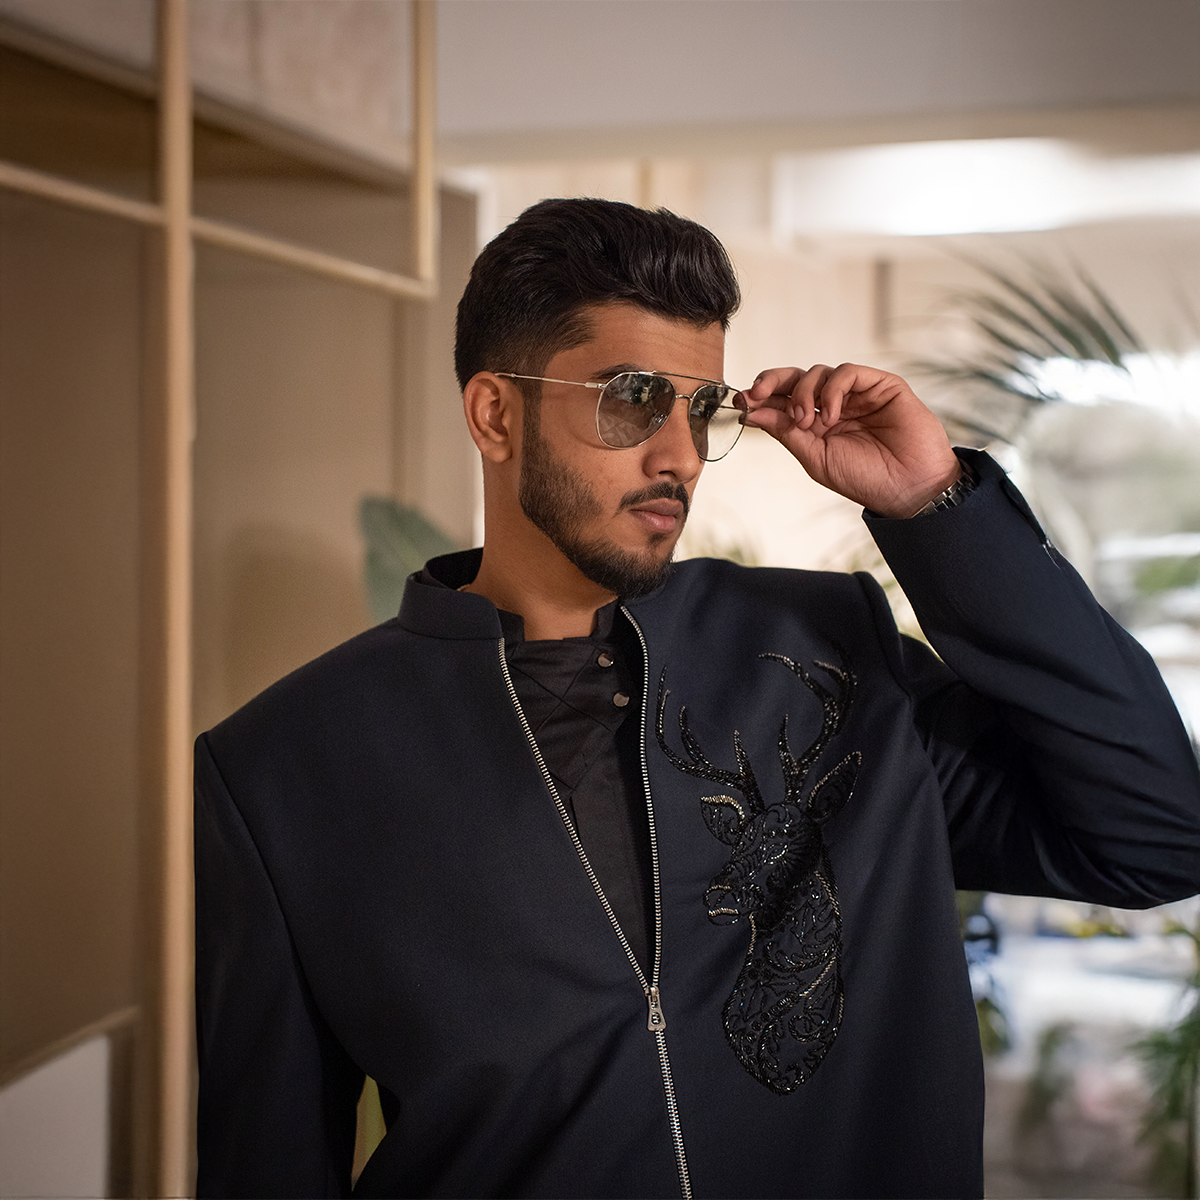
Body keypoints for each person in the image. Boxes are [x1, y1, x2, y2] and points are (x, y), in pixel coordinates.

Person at [194, 198, 1200, 1200]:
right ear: (496, 415)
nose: (677, 452)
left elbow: (1155, 836)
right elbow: (269, 1163)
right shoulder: (287, 766)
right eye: (633, 397)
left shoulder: (826, 660)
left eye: (700, 406)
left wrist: (935, 504)